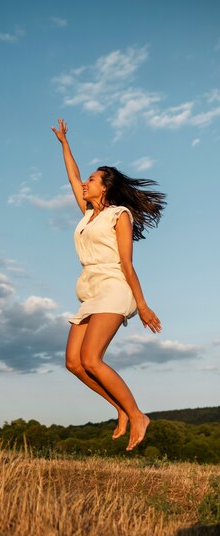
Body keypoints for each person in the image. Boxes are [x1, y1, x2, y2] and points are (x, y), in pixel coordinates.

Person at [52, 119, 165, 451]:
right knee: (74, 362)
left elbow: (127, 264)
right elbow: (72, 176)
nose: (85, 183)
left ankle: (136, 414)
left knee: (92, 359)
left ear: (106, 187)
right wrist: (64, 143)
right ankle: (119, 407)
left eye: (92, 179)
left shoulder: (120, 215)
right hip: (89, 289)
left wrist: (142, 305)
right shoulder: (88, 214)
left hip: (115, 286)